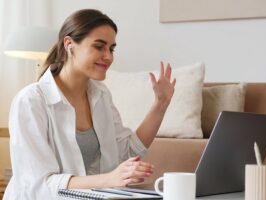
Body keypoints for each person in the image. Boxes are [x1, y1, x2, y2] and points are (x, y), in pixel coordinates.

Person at [3, 9, 176, 200]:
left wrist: (161, 104)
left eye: (111, 49)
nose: (108, 57)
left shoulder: (101, 95)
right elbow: (40, 184)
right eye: (99, 46)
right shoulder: (30, 101)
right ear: (69, 45)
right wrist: (108, 179)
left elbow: (127, 152)